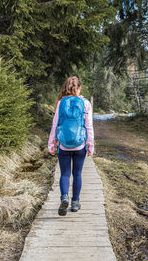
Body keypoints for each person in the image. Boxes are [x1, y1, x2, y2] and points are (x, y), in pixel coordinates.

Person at [48, 76, 94, 216]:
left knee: (65, 174)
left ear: (66, 88)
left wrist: (52, 143)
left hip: (64, 145)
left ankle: (64, 198)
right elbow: (89, 126)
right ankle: (75, 203)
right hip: (80, 144)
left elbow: (55, 124)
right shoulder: (85, 103)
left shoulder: (61, 102)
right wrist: (90, 145)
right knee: (77, 173)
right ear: (79, 88)